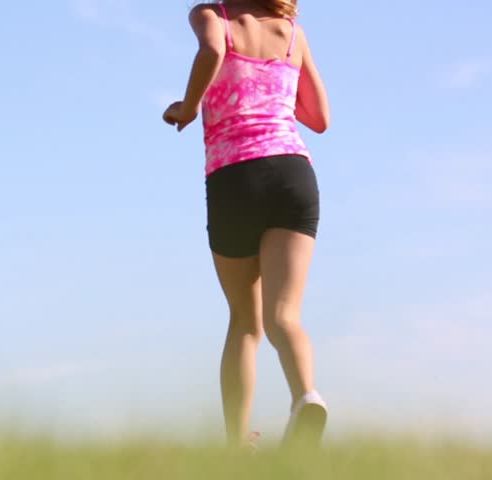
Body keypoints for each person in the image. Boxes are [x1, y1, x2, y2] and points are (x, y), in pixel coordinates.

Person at [162, 0, 331, 451]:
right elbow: (319, 118)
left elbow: (213, 52)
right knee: (284, 315)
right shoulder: (292, 32)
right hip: (293, 173)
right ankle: (306, 397)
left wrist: (189, 107)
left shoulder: (211, 15)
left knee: (245, 322)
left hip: (235, 177)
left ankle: (237, 443)